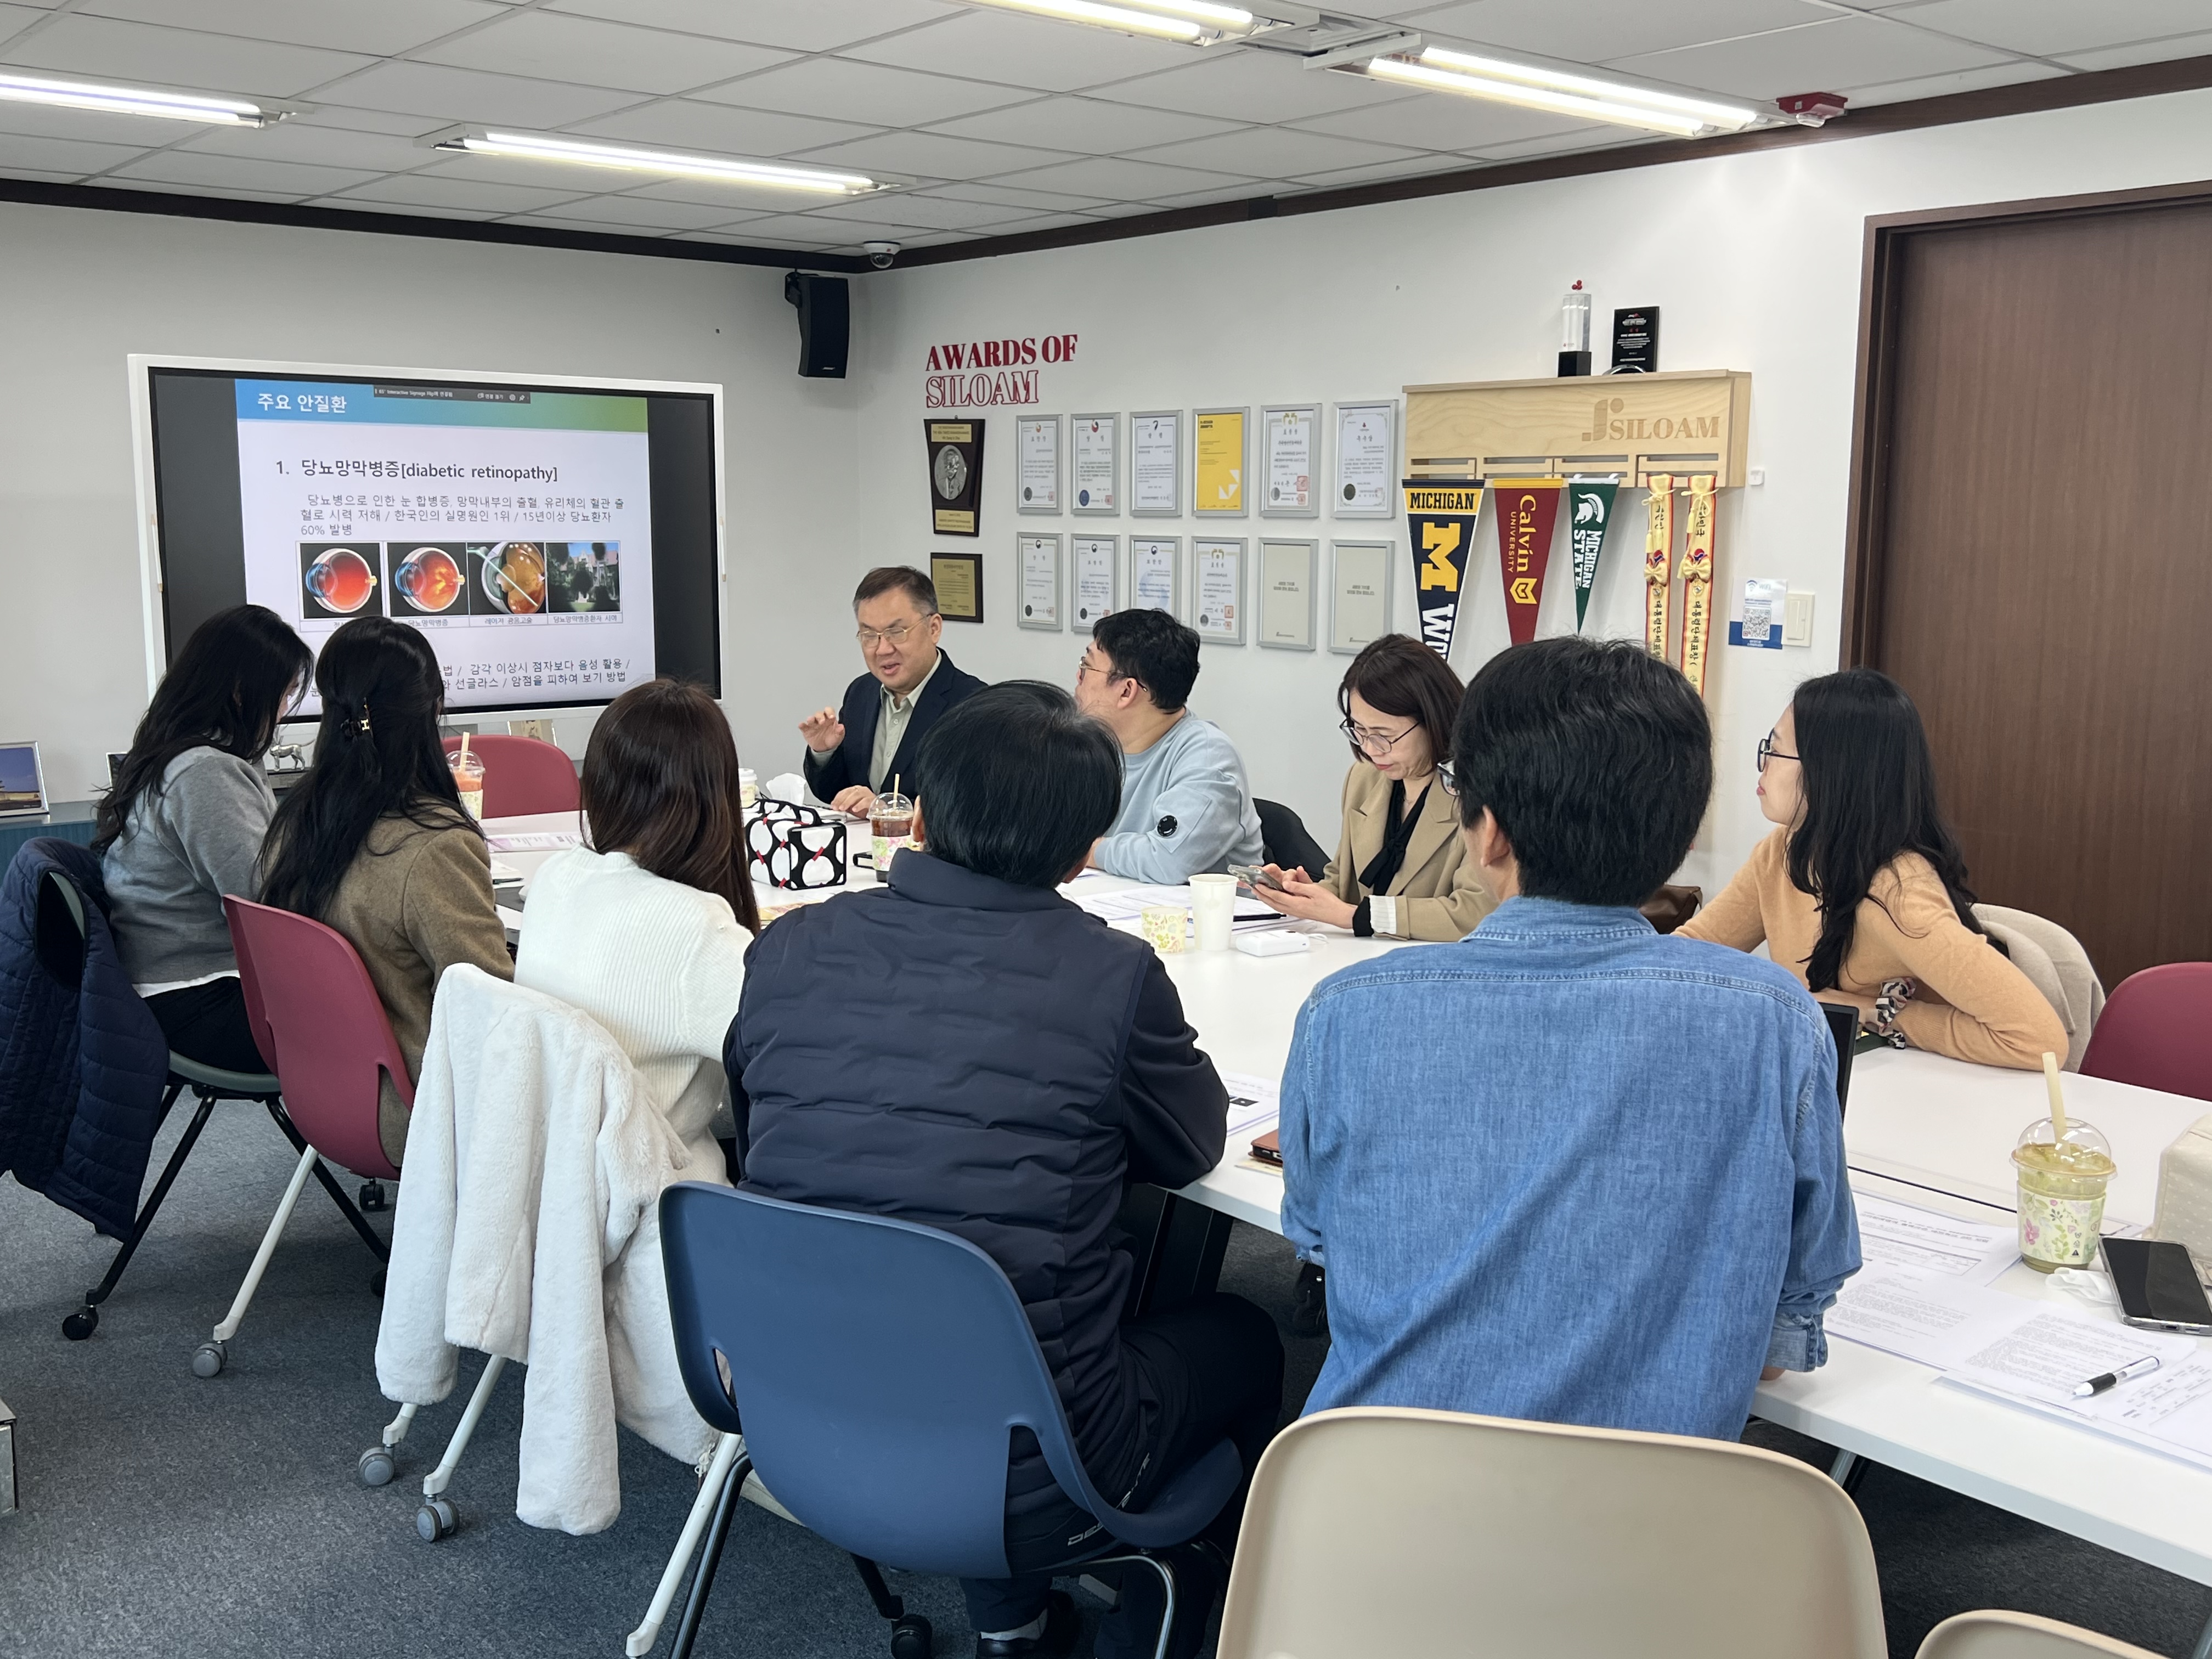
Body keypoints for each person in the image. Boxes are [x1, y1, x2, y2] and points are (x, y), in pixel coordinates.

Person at [729, 682, 1282, 1659]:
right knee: (1246, 1330)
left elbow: (763, 1118)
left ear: (923, 815)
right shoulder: (1110, 975)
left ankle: (1011, 1621)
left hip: (791, 1415)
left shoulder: (790, 943)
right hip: (1032, 1470)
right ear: (1081, 850)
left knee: (956, 1285)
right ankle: (1183, 1598)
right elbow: (1192, 1147)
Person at [1279, 636, 1859, 1441]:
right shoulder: (1775, 1021)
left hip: (1376, 1512)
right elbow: (1783, 1329)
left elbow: (1322, 1240)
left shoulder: (1346, 1013)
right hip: (1654, 1532)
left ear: (1488, 834)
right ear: (1682, 832)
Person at [1678, 668, 2067, 1070]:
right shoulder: (1784, 849)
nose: (1763, 765)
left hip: (1927, 1095)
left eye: (1775, 750)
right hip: (1843, 1078)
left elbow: (2040, 1041)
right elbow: (1693, 951)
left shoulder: (1897, 896)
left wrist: (1870, 1012)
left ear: (1832, 770)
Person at [258, 618, 512, 1167]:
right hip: (414, 1105)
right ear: (431, 712)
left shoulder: (293, 821)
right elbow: (494, 1006)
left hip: (319, 1088)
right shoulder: (431, 844)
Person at [515, 678, 757, 1175]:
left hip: (561, 1181)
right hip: (664, 1201)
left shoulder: (555, 876)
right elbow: (798, 1053)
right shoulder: (696, 928)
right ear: (714, 795)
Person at [96, 605, 315, 1074]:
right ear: (241, 693)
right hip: (197, 998)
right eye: (285, 693)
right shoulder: (205, 772)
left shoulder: (187, 752)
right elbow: (270, 903)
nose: (284, 711)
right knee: (400, 1013)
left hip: (176, 986)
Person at [1247, 634, 1492, 941]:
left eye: (1383, 735)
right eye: (1358, 731)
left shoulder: (1478, 790)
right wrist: (1301, 893)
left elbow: (1474, 913)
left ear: (1433, 719)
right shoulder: (1364, 779)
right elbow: (1343, 884)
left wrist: (1360, 917)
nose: (1371, 749)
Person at [1073, 608, 1262, 883]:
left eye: (1086, 667)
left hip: (1203, 922)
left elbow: (1169, 861)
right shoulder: (1093, 744)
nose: (1078, 679)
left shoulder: (1208, 757)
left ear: (1127, 691)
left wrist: (1084, 851)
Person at [798, 565, 985, 816]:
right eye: (869, 635)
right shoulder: (861, 692)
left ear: (934, 629)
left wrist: (890, 811)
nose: (882, 649)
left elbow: (974, 807)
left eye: (896, 632)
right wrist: (825, 753)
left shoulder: (974, 705)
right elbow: (837, 795)